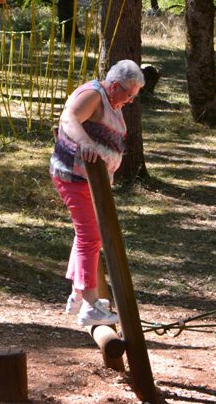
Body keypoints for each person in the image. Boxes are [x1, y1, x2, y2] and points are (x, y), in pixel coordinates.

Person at [49, 59, 145, 326]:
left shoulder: (112, 100)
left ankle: (77, 293)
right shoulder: (92, 94)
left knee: (89, 233)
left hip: (94, 182)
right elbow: (68, 117)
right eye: (129, 95)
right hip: (74, 175)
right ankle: (91, 305)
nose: (130, 101)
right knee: (90, 236)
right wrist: (85, 143)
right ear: (115, 86)